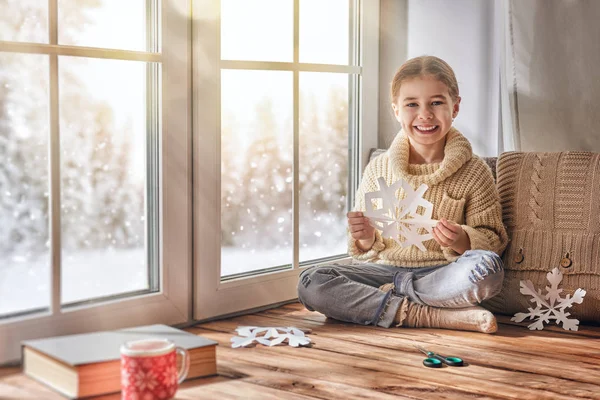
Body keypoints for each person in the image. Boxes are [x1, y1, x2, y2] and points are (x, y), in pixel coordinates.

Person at [297, 56, 508, 334]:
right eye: (412, 104)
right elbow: (365, 251)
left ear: (455, 107)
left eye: (436, 102)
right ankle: (432, 316)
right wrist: (364, 237)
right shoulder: (379, 169)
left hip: (442, 274)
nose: (425, 114)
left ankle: (388, 303)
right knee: (311, 281)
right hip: (383, 271)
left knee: (488, 270)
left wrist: (461, 238)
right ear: (396, 109)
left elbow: (493, 241)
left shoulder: (474, 170)